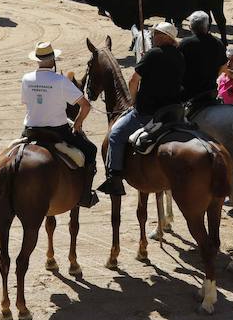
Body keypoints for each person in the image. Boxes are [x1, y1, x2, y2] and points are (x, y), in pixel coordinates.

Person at [100, 21, 184, 197]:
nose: (153, 37)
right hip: (172, 111)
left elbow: (133, 80)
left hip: (147, 113)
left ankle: (114, 178)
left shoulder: (152, 54)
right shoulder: (179, 55)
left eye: (155, 34)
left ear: (163, 37)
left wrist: (132, 102)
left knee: (115, 135)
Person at [21, 41, 99, 207]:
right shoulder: (60, 81)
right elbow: (85, 105)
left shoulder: (26, 79)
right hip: (57, 132)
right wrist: (77, 123)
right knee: (91, 150)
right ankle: (85, 196)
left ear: (37, 60)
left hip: (30, 131)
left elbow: (27, 103)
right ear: (53, 60)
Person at [177, 11, 226, 115]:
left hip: (188, 94)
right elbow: (224, 66)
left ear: (190, 27)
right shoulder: (218, 42)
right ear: (207, 26)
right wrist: (214, 76)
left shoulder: (185, 43)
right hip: (210, 92)